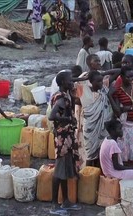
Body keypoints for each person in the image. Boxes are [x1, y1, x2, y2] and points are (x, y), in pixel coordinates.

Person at [75, 55, 121, 167]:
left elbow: (118, 71)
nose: (101, 83)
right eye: (96, 61)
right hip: (90, 126)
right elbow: (76, 98)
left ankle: (99, 172)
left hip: (103, 125)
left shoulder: (103, 87)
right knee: (90, 154)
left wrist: (102, 74)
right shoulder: (84, 90)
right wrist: (84, 79)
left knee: (102, 151)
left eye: (102, 81)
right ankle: (89, 174)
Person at [49, 72, 81, 216]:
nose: (72, 81)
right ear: (62, 82)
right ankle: (54, 204)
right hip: (62, 139)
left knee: (64, 171)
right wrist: (68, 119)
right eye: (69, 80)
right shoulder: (61, 99)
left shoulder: (66, 95)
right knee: (59, 172)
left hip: (66, 137)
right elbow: (52, 116)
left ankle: (66, 200)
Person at [109, 65, 133, 166]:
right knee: (125, 154)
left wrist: (128, 108)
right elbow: (118, 112)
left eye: (132, 76)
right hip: (125, 126)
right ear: (121, 77)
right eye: (128, 77)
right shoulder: (118, 90)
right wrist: (110, 96)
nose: (131, 79)